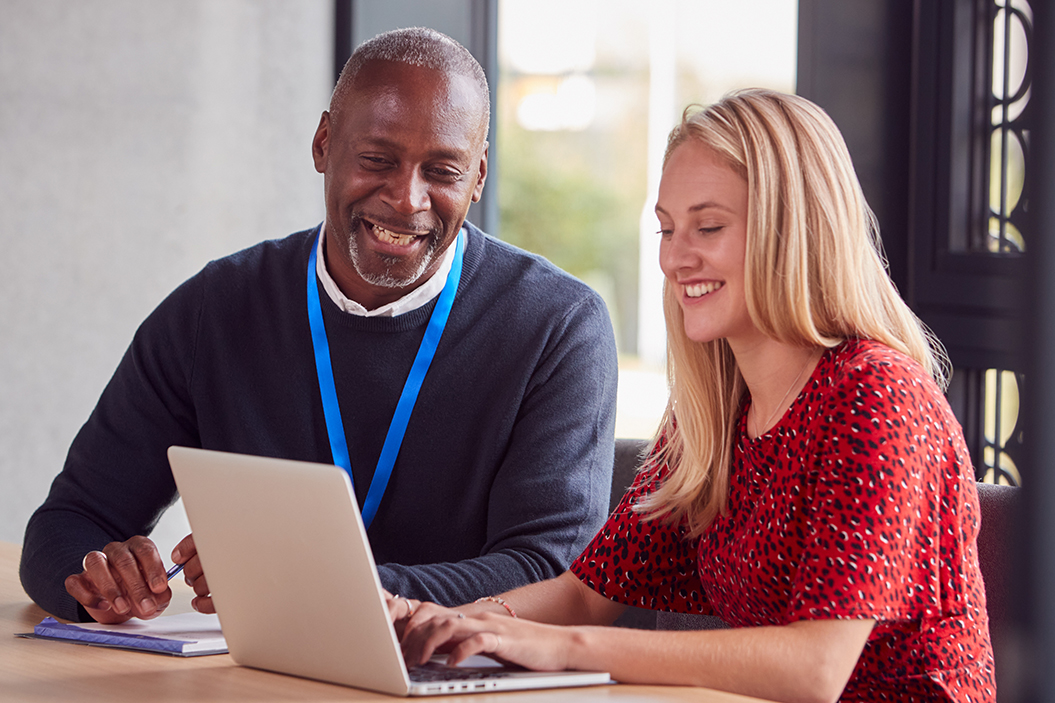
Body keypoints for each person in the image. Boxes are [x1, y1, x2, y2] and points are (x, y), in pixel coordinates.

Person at [392, 90, 995, 702]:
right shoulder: (716, 411)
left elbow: (814, 668)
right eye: (667, 229)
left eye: (708, 226)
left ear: (796, 230)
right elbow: (586, 594)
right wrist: (455, 623)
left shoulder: (877, 395)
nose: (676, 258)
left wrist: (564, 649)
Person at [20, 27, 617, 626]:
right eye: (377, 160)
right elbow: (66, 526)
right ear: (324, 144)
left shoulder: (558, 327)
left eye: (443, 171)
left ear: (479, 175)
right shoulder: (215, 310)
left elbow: (551, 571)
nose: (408, 199)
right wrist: (101, 578)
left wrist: (311, 583)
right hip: (263, 678)